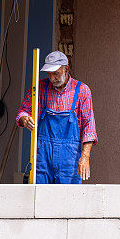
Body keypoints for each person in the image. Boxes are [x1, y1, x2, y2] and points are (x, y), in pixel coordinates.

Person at [16, 51, 97, 184]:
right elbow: (22, 112)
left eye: (56, 73)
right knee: (40, 197)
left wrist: (85, 156)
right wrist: (24, 119)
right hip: (43, 159)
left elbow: (89, 126)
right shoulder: (40, 88)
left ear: (66, 68)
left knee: (68, 200)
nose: (52, 78)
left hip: (69, 162)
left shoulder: (82, 90)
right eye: (49, 74)